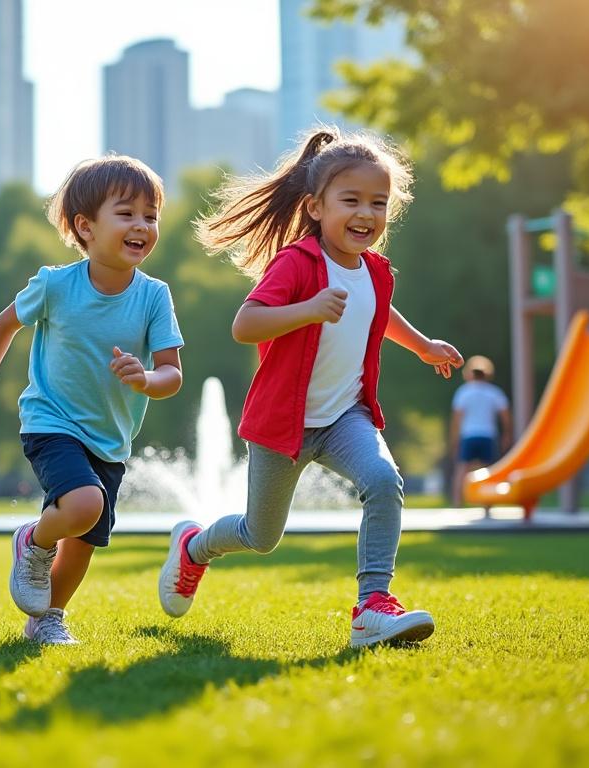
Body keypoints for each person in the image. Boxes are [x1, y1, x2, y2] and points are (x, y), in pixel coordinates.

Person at [156, 128, 462, 648]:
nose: (366, 214)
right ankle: (192, 548)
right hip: (283, 423)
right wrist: (308, 309)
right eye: (352, 201)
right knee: (261, 535)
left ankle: (372, 606)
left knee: (384, 481)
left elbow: (379, 315)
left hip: (346, 417)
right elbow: (245, 323)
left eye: (378, 203)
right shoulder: (297, 263)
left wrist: (424, 345)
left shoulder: (376, 271)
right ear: (317, 207)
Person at [0, 155, 185, 645]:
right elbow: (2, 328)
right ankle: (32, 543)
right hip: (51, 421)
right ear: (86, 225)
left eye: (151, 215)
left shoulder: (154, 296)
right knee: (83, 504)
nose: (142, 225)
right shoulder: (56, 285)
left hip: (110, 438)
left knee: (84, 539)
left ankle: (47, 618)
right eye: (126, 213)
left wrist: (145, 378)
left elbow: (172, 375)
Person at [449, 355, 511, 509]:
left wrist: (454, 439)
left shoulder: (463, 392)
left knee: (462, 469)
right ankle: (487, 505)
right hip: (487, 435)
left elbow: (457, 419)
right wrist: (507, 434)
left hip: (469, 435)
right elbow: (505, 416)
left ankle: (457, 503)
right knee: (488, 470)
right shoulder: (494, 392)